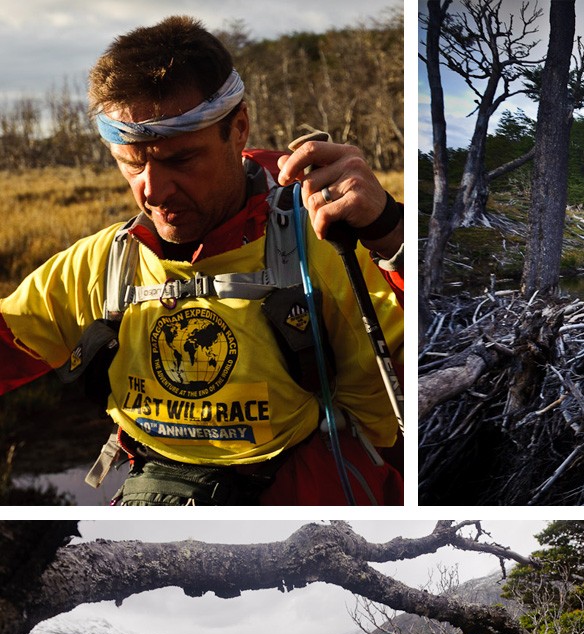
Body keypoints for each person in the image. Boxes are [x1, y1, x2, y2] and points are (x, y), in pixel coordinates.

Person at [0, 17, 404, 505]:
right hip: (155, 494)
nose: (152, 189)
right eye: (132, 162)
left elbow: (419, 362)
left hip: (310, 494)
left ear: (238, 128)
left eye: (181, 160)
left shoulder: (322, 245)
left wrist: (391, 233)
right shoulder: (103, 264)